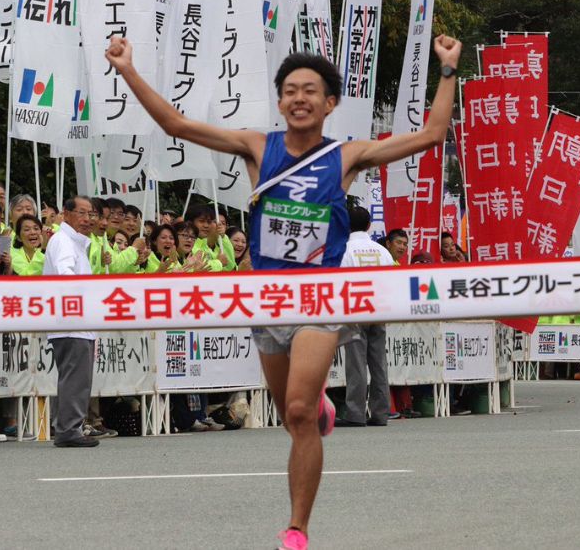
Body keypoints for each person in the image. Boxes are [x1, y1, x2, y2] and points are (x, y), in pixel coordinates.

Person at [106, 31, 461, 548]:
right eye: (290, 90)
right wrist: (127, 69)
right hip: (267, 299)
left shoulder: (347, 156)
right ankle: (320, 409)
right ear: (280, 101)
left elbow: (431, 135)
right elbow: (175, 124)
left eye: (311, 90)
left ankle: (297, 528)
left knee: (295, 413)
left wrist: (447, 70)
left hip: (319, 299)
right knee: (292, 410)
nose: (300, 97)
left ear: (329, 102)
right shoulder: (257, 146)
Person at [42, 196, 99, 448]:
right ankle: (67, 429)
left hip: (78, 322)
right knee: (74, 377)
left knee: (75, 377)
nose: (88, 219)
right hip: (70, 321)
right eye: (82, 213)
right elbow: (66, 275)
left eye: (91, 214)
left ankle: (68, 426)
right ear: (66, 213)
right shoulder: (63, 241)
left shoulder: (75, 242)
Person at [337, 206, 399, 428]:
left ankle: (355, 413)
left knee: (357, 363)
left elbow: (339, 281)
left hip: (355, 309)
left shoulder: (344, 249)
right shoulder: (381, 251)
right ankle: (381, 413)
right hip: (379, 308)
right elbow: (392, 279)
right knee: (379, 362)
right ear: (369, 225)